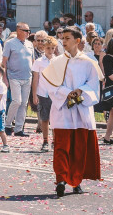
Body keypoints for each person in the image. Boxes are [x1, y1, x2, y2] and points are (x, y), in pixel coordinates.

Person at [39, 25, 102, 197]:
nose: (63, 41)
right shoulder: (56, 62)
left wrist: (80, 91)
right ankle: (61, 179)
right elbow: (50, 85)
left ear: (77, 41)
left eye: (67, 38)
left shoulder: (89, 62)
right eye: (62, 38)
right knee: (61, 146)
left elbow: (93, 84)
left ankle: (76, 181)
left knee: (79, 147)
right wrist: (68, 93)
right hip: (63, 110)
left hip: (81, 109)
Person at [2, 21, 34, 138]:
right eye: (26, 30)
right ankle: (7, 125)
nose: (28, 32)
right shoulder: (9, 43)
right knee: (16, 101)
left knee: (24, 103)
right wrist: (4, 78)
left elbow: (33, 61)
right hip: (14, 76)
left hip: (27, 77)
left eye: (28, 30)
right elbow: (4, 62)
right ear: (19, 31)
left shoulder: (30, 44)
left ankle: (19, 128)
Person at [31, 34, 57, 150]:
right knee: (44, 118)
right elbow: (35, 79)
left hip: (55, 93)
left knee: (55, 119)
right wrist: (34, 94)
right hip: (43, 93)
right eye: (48, 48)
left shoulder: (58, 61)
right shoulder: (39, 61)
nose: (50, 50)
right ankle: (45, 140)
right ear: (44, 48)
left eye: (52, 48)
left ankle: (55, 140)